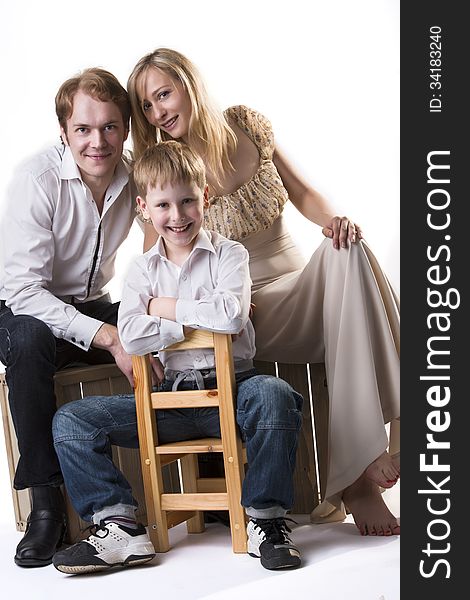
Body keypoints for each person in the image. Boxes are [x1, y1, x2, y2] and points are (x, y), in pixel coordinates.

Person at [126, 48, 400, 536]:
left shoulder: (245, 124)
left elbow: (303, 192)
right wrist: (154, 326)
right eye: (146, 106)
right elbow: (156, 266)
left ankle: (371, 455)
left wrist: (333, 221)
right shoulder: (168, 172)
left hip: (301, 284)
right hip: (248, 307)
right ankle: (360, 479)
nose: (158, 112)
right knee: (337, 264)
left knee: (349, 247)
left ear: (190, 84)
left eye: (163, 94)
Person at [51, 140, 304, 574]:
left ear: (205, 197)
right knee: (71, 421)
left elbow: (231, 316)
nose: (178, 215)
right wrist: (184, 319)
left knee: (276, 393)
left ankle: (266, 520)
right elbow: (130, 334)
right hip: (170, 399)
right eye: (164, 204)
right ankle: (120, 526)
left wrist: (162, 309)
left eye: (188, 201)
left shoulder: (230, 254)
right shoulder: (142, 270)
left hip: (237, 388)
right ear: (144, 208)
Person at [0, 67, 162, 568]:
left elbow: (164, 228)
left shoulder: (134, 173)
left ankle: (201, 475)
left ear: (126, 129)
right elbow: (22, 289)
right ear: (65, 132)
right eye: (84, 129)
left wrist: (152, 308)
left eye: (111, 127)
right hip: (21, 306)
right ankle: (46, 507)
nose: (98, 141)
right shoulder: (37, 179)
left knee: (163, 324)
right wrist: (110, 336)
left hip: (89, 303)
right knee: (28, 343)